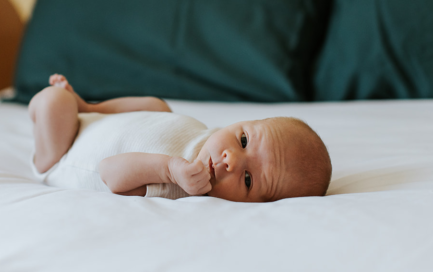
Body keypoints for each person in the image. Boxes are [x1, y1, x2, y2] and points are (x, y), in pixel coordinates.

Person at [29, 74, 332, 201]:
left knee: (53, 101)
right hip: (94, 123)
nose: (231, 160)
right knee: (158, 106)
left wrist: (169, 170)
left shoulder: (183, 186)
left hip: (66, 151)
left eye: (249, 180)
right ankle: (87, 106)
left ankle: (45, 150)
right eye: (243, 141)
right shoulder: (206, 135)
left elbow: (109, 172)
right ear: (242, 123)